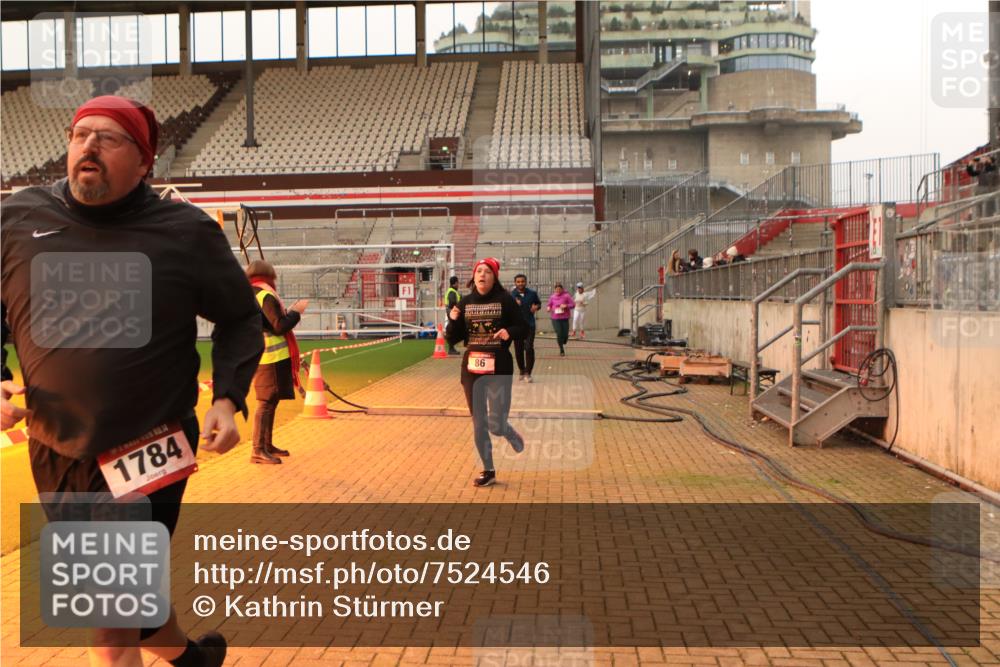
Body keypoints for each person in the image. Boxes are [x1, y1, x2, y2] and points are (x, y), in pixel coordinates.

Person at [0, 95, 263, 667]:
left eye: (109, 137)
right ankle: (190, 658)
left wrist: (227, 397)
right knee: (122, 598)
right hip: (54, 445)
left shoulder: (185, 232)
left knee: (108, 619)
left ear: (145, 162)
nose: (88, 145)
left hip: (148, 444)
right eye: (80, 134)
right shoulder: (17, 220)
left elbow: (242, 317)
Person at [445, 258, 527, 487]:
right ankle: (488, 470)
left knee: (495, 424)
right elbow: (453, 337)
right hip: (472, 370)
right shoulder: (464, 303)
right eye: (479, 271)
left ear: (495, 276)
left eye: (487, 271)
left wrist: (508, 332)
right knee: (479, 422)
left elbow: (524, 328)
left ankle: (507, 431)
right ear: (474, 277)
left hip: (499, 368)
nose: (482, 275)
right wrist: (452, 321)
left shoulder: (506, 301)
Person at [247, 260, 308, 464]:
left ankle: (266, 445)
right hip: (270, 357)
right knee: (265, 403)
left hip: (267, 355)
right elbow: (279, 326)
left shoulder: (254, 292)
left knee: (270, 402)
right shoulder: (265, 295)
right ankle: (258, 449)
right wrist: (296, 312)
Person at [511, 274, 541, 382]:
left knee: (528, 348)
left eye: (522, 281)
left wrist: (536, 307)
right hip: (517, 327)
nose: (520, 283)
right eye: (518, 282)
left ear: (526, 282)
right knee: (518, 350)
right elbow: (506, 309)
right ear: (515, 283)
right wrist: (514, 305)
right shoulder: (511, 295)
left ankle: (528, 373)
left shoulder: (532, 294)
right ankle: (522, 370)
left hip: (530, 325)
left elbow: (538, 303)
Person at [546, 282, 575, 356]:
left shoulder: (566, 296)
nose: (558, 290)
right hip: (555, 318)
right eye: (556, 289)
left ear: (562, 289)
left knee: (565, 334)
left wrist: (566, 306)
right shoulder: (552, 297)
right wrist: (548, 308)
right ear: (555, 289)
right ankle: (561, 349)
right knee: (559, 333)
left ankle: (564, 341)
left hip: (564, 318)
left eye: (559, 289)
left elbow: (573, 305)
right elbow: (549, 304)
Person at [445, 276, 461, 355]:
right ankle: (451, 348)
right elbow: (452, 303)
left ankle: (452, 347)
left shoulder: (453, 291)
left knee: (453, 328)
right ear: (454, 283)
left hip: (452, 311)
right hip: (452, 311)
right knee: (453, 329)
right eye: (457, 283)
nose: (458, 284)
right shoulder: (452, 292)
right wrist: (458, 307)